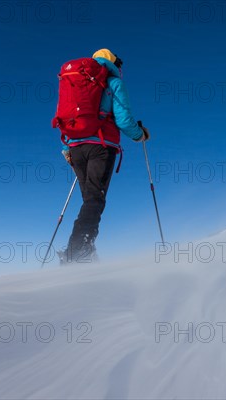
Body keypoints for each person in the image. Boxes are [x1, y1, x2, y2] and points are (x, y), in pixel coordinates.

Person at [59, 49, 150, 264]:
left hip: (74, 147)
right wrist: (140, 135)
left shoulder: (74, 81)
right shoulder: (112, 83)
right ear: (114, 64)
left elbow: (67, 115)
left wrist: (67, 149)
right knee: (95, 199)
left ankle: (84, 250)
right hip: (101, 146)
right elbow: (124, 120)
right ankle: (78, 250)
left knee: (89, 199)